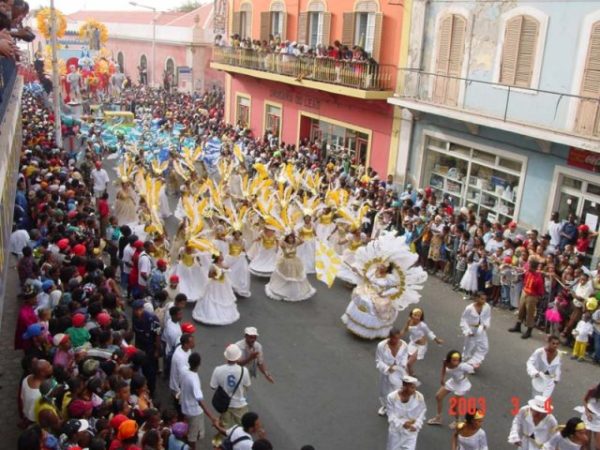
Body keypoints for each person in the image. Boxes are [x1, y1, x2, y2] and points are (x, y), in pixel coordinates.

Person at [179, 352, 221, 449]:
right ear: (199, 363)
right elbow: (200, 401)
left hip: (185, 408)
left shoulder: (184, 371)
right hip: (194, 412)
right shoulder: (194, 379)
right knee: (193, 437)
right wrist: (212, 417)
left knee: (190, 431)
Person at [427, 351, 475, 427]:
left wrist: (464, 378)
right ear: (449, 360)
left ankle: (457, 421)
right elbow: (443, 368)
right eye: (454, 360)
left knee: (454, 406)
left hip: (462, 385)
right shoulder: (445, 362)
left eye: (458, 360)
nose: (456, 362)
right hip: (452, 382)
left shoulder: (463, 366)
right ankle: (438, 418)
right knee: (438, 396)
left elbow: (471, 369)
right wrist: (442, 378)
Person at [265, 232, 316, 302]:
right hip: (285, 262)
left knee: (295, 277)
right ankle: (285, 290)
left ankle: (294, 291)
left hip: (295, 262)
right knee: (286, 277)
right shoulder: (284, 244)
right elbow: (280, 242)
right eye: (289, 238)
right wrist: (285, 234)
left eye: (292, 238)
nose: (291, 239)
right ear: (287, 238)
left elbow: (302, 241)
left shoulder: (295, 244)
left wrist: (296, 235)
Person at [210, 344, 251, 428]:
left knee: (224, 427)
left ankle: (222, 440)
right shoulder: (244, 370)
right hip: (239, 404)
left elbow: (213, 386)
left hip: (225, 404)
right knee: (243, 427)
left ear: (226, 357)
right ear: (237, 357)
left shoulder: (218, 370)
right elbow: (247, 385)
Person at [192, 253, 240, 325]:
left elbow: (227, 267)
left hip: (223, 284)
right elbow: (209, 275)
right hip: (215, 284)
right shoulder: (213, 266)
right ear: (217, 257)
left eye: (222, 255)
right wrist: (215, 274)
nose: (222, 257)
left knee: (224, 296)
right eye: (221, 256)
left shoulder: (223, 263)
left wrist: (224, 270)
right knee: (212, 297)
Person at [385, 375, 426, 450]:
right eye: (412, 387)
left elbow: (422, 412)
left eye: (414, 387)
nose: (414, 390)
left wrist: (416, 425)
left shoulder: (419, 397)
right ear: (404, 386)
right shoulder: (391, 397)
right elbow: (391, 415)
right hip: (396, 431)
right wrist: (402, 424)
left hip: (411, 431)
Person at [376, 328, 409, 416]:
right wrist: (387, 368)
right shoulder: (381, 346)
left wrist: (401, 365)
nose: (396, 341)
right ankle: (385, 406)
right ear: (389, 337)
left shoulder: (404, 345)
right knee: (385, 391)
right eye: (394, 338)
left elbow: (405, 356)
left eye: (398, 338)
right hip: (386, 374)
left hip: (399, 373)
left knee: (397, 390)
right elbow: (378, 361)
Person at [509, 259, 545, 339]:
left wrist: (536, 298)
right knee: (521, 309)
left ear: (533, 268)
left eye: (529, 267)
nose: (527, 268)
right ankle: (518, 326)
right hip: (524, 292)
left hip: (532, 296)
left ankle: (529, 331)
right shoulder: (528, 272)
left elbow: (540, 291)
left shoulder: (538, 278)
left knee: (530, 313)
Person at [132, 299, 161, 396]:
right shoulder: (134, 317)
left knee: (151, 371)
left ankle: (151, 391)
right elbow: (135, 331)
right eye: (136, 309)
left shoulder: (152, 319)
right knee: (140, 368)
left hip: (150, 347)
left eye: (140, 309)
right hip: (140, 346)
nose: (138, 312)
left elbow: (157, 334)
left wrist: (157, 350)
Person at [401, 308, 443, 376]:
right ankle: (410, 372)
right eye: (415, 315)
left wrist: (437, 340)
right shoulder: (409, 321)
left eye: (419, 316)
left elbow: (429, 333)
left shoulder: (422, 325)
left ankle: (409, 375)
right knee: (406, 359)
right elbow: (404, 329)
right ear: (411, 315)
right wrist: (397, 337)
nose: (417, 317)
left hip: (420, 346)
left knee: (409, 363)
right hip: (413, 343)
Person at [460, 292, 491, 369]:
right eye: (482, 299)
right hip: (471, 329)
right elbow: (463, 320)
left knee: (484, 346)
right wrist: (467, 331)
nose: (484, 301)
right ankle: (463, 362)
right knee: (469, 347)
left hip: (481, 329)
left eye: (485, 299)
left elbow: (488, 317)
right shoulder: (469, 308)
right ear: (476, 298)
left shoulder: (487, 306)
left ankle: (474, 361)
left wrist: (485, 325)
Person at [169, 333, 195, 399]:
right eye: (191, 342)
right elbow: (183, 376)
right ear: (185, 344)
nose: (194, 343)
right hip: (178, 388)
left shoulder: (186, 349)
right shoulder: (180, 358)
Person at [579, 383, 600, 449]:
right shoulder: (592, 391)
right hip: (588, 418)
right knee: (586, 442)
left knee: (598, 446)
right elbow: (585, 400)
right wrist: (587, 413)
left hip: (598, 420)